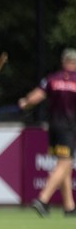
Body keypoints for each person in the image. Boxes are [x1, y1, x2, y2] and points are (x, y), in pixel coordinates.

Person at [18, 47, 76, 217]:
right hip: (69, 127)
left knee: (61, 163)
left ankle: (69, 206)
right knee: (65, 164)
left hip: (54, 127)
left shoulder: (52, 78)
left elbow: (35, 98)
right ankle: (42, 200)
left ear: (63, 62)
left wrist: (25, 102)